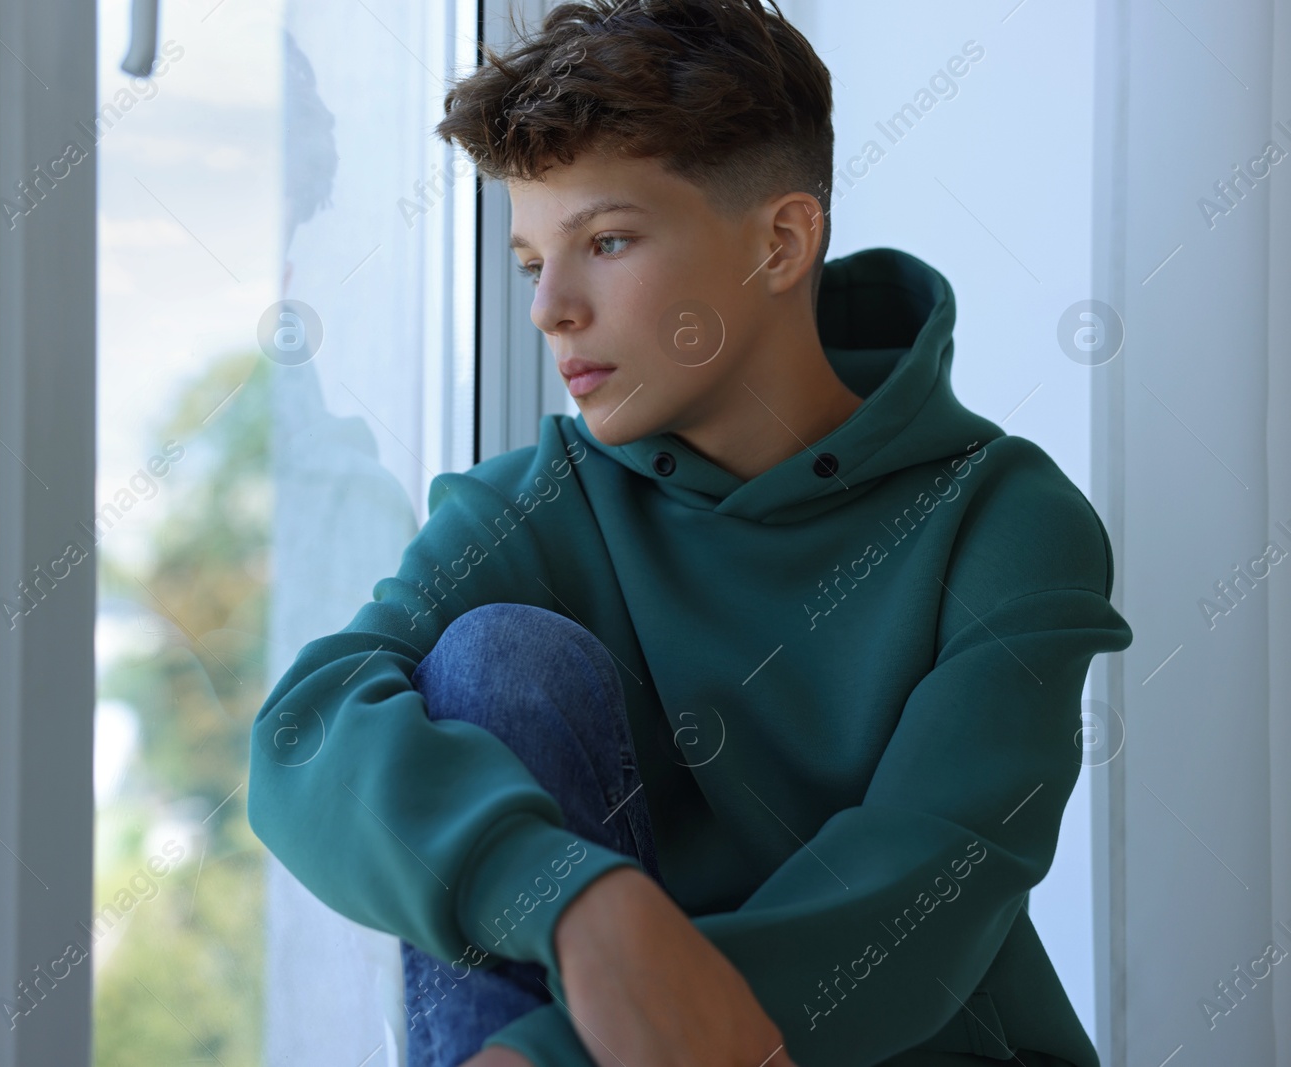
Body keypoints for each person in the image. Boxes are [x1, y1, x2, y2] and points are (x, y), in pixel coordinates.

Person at [247, 2, 1133, 1064]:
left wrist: (554, 1054)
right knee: (492, 658)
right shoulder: (530, 507)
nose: (552, 310)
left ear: (780, 240)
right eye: (533, 261)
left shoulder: (1004, 518)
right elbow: (304, 732)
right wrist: (575, 901)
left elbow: (920, 899)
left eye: (606, 240)